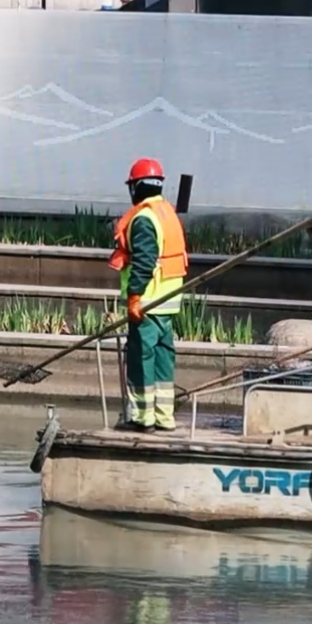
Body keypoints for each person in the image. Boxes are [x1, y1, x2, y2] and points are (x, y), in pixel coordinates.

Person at [109, 158, 189, 432]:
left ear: (136, 186)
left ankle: (143, 419)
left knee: (141, 360)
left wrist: (133, 298)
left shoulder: (144, 218)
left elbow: (144, 262)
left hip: (148, 303)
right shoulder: (167, 212)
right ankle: (164, 417)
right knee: (163, 360)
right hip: (168, 304)